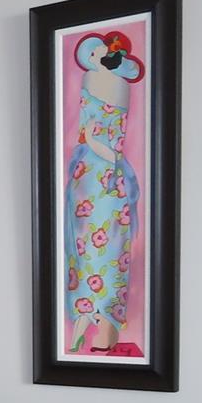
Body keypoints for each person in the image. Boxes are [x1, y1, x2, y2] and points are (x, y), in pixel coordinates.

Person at [64, 32, 142, 354]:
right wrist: (106, 153)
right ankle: (87, 324)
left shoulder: (109, 84)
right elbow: (95, 137)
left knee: (106, 249)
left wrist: (103, 151)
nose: (97, 57)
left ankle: (99, 325)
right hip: (95, 177)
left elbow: (103, 142)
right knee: (91, 249)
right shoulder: (95, 80)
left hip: (104, 176)